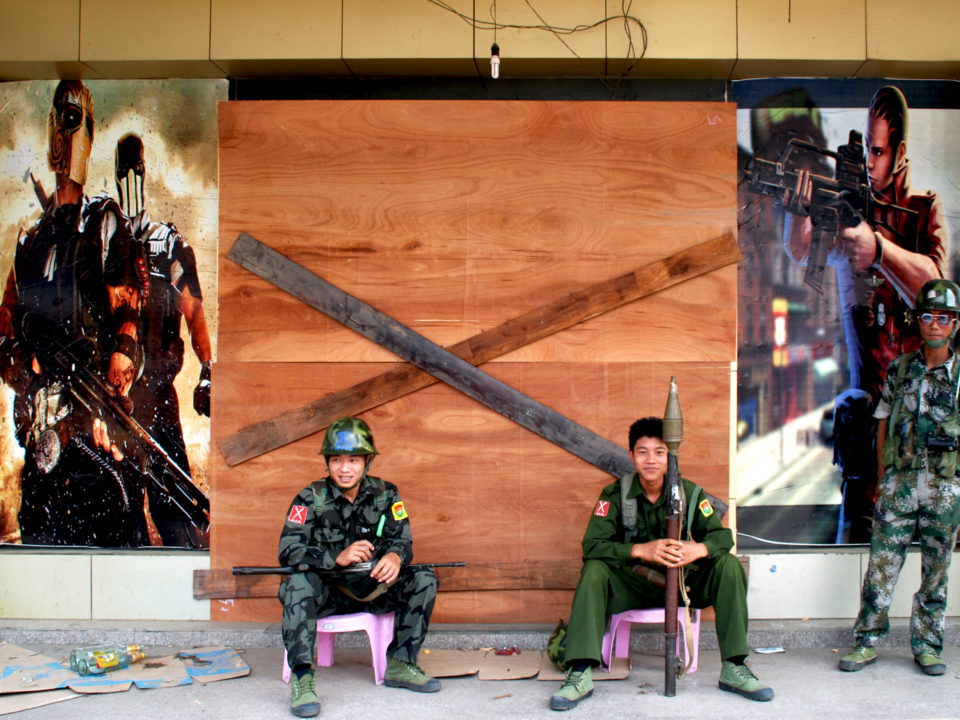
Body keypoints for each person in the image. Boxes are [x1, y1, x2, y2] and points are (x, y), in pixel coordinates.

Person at [784, 86, 947, 543]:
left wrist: (879, 250)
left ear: (899, 152)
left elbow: (935, 290)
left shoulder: (921, 211)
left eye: (879, 151)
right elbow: (799, 251)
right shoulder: (850, 206)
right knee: (852, 545)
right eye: (867, 151)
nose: (871, 162)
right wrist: (799, 209)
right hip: (866, 437)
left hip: (917, 429)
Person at [0, 80, 148, 547]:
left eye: (75, 120)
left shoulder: (104, 223)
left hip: (94, 440)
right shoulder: (31, 239)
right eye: (58, 121)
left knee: (112, 545)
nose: (65, 136)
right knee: (42, 550)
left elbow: (129, 320)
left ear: (90, 134)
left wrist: (117, 375)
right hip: (43, 444)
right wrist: (28, 366)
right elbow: (4, 334)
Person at [549, 417, 773, 711]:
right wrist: (641, 550)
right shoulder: (615, 495)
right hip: (634, 586)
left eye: (659, 452)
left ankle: (735, 666)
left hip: (683, 586)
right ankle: (579, 672)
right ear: (631, 456)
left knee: (728, 565)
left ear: (671, 456)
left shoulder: (690, 493)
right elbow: (592, 546)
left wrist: (698, 549)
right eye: (643, 452)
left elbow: (722, 538)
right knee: (594, 568)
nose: (651, 460)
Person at [277, 417, 440, 718]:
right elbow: (288, 549)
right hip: (327, 594)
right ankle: (302, 678)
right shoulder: (310, 497)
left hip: (372, 589)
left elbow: (402, 539)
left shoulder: (386, 494)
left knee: (424, 578)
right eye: (337, 460)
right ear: (327, 462)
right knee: (296, 584)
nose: (345, 468)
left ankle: (402, 664)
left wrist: (395, 557)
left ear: (367, 461)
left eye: (353, 460)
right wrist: (334, 557)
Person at [838, 278, 960, 677]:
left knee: (936, 571)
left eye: (944, 318)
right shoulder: (901, 367)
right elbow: (883, 419)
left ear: (956, 324)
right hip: (900, 483)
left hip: (944, 487)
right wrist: (884, 473)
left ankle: (927, 646)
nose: (935, 325)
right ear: (917, 321)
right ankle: (866, 641)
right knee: (881, 566)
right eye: (928, 317)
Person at [115, 133, 212, 547]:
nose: (129, 179)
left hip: (158, 397)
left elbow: (194, 312)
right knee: (118, 512)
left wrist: (208, 369)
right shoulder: (105, 243)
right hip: (114, 398)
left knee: (175, 511)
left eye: (134, 168)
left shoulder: (167, 244)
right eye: (123, 170)